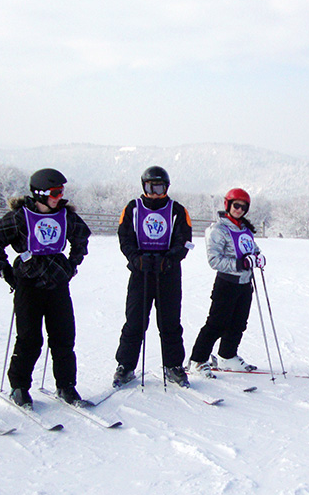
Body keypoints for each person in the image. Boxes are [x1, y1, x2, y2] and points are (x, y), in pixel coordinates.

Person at [0, 168, 91, 408]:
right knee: (30, 339)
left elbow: (82, 238)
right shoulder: (19, 217)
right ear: (40, 193)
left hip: (57, 285)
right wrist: (7, 273)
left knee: (63, 337)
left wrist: (71, 266)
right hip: (29, 286)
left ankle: (66, 386)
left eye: (61, 191)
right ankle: (19, 387)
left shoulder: (66, 217)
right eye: (54, 192)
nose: (59, 196)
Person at [113, 166, 194, 388]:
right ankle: (126, 365)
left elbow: (184, 240)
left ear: (166, 187)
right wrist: (135, 258)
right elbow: (124, 237)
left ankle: (173, 365)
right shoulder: (133, 208)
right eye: (151, 187)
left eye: (160, 187)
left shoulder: (177, 210)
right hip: (141, 272)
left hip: (167, 273)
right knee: (135, 321)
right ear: (144, 187)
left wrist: (170, 259)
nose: (155, 192)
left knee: (169, 321)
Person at [187, 188, 266, 377]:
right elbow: (214, 260)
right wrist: (242, 263)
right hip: (227, 284)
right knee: (216, 323)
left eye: (243, 207)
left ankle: (227, 356)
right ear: (227, 205)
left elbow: (253, 248)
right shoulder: (218, 230)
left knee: (238, 323)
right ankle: (197, 360)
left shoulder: (244, 229)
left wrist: (258, 257)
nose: (239, 209)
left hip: (245, 284)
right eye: (236, 205)